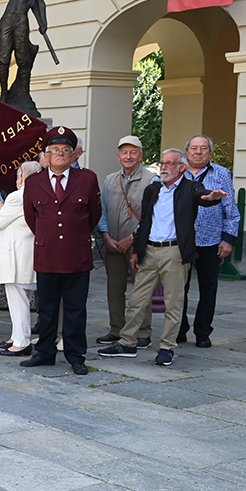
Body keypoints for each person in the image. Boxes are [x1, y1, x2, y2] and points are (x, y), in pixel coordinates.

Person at [99, 148, 228, 366]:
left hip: (174, 252)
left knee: (173, 303)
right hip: (149, 250)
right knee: (137, 300)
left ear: (182, 167)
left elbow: (202, 196)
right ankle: (127, 342)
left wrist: (211, 198)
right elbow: (145, 222)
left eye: (170, 163)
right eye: (163, 163)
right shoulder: (154, 189)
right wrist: (138, 251)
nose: (165, 167)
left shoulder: (189, 188)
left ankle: (167, 347)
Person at [21, 126, 101, 376]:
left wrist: (74, 236)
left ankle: (76, 356)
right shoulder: (34, 182)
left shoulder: (87, 179)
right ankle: (45, 352)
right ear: (46, 155)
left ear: (73, 154)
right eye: (55, 150)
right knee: (46, 307)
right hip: (47, 254)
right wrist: (50, 238)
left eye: (65, 150)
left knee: (76, 308)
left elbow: (94, 215)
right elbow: (31, 217)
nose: (60, 154)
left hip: (76, 255)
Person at [179, 134, 240, 347]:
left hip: (210, 240)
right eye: (194, 148)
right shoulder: (177, 172)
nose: (198, 152)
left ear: (209, 152)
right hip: (181, 240)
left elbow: (231, 210)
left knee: (209, 287)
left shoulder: (222, 173)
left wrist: (228, 239)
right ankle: (179, 329)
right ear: (187, 151)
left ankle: (203, 332)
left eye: (203, 148)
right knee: (178, 288)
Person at [96, 135, 156, 349]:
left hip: (138, 245)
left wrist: (132, 238)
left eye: (133, 152)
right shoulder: (110, 179)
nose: (128, 156)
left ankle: (143, 331)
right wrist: (106, 236)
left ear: (141, 155)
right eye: (124, 152)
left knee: (141, 289)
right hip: (112, 243)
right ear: (118, 155)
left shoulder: (152, 180)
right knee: (114, 288)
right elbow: (101, 210)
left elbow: (151, 215)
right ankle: (116, 329)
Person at [0, 162, 42, 356]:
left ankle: (21, 342)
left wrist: (0, 208)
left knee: (17, 300)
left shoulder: (16, 196)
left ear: (22, 176)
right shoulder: (39, 193)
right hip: (28, 254)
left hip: (15, 256)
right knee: (23, 299)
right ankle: (17, 335)